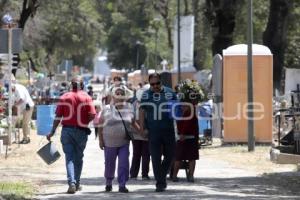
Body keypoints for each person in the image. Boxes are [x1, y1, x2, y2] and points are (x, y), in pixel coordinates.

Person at [47, 76, 96, 194]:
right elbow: (92, 115)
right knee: (79, 158)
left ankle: (72, 183)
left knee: (69, 158)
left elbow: (58, 116)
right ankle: (77, 183)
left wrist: (52, 131)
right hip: (81, 131)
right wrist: (84, 122)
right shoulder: (87, 97)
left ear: (71, 85)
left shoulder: (64, 97)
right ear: (82, 85)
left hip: (67, 131)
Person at [98, 86, 142, 193]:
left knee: (124, 164)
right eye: (117, 93)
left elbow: (133, 122)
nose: (119, 95)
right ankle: (109, 182)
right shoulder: (107, 109)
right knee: (109, 163)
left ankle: (122, 184)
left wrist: (142, 132)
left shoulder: (129, 107)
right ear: (113, 96)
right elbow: (100, 125)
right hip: (109, 143)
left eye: (121, 93)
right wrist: (100, 140)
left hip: (124, 142)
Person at [139, 73, 177, 192]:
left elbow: (177, 109)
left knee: (170, 156)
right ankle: (160, 182)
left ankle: (161, 177)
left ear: (161, 82)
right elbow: (142, 111)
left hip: (168, 129)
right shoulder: (146, 94)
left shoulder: (170, 93)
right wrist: (141, 128)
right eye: (152, 84)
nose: (155, 86)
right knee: (155, 157)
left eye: (157, 83)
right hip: (153, 130)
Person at [172, 104, 199, 182]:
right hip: (185, 138)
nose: (182, 107)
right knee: (185, 158)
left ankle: (187, 176)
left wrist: (182, 134)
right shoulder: (185, 115)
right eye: (182, 106)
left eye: (184, 106)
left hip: (185, 138)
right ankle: (187, 176)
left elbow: (186, 126)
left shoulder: (189, 115)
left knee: (182, 158)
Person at [130, 84, 151, 180]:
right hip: (136, 132)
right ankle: (134, 173)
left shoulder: (149, 105)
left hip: (146, 132)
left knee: (146, 153)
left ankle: (145, 174)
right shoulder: (134, 104)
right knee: (137, 153)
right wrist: (140, 130)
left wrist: (145, 130)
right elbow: (132, 119)